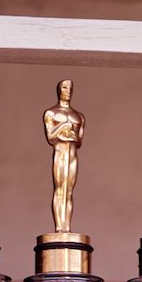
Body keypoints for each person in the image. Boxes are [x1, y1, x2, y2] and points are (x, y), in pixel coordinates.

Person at [44, 79, 85, 233]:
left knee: (69, 191)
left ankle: (66, 227)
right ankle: (59, 227)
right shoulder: (52, 113)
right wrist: (64, 126)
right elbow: (51, 136)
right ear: (59, 90)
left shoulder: (79, 116)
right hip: (60, 153)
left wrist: (70, 133)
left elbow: (78, 140)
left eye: (70, 88)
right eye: (65, 88)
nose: (68, 91)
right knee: (60, 189)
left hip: (72, 154)